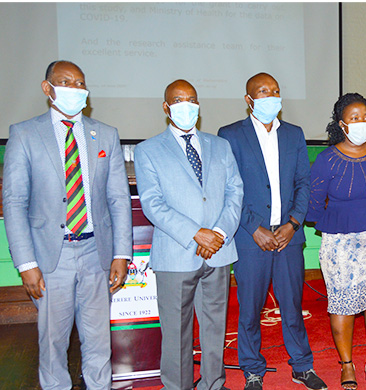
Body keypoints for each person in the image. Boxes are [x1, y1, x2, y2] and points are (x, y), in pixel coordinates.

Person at [3, 60, 132, 389]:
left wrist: (121, 254)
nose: (75, 89)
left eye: (80, 83)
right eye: (66, 82)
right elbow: (15, 202)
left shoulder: (105, 134)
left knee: (99, 343)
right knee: (53, 345)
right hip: (50, 259)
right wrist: (26, 263)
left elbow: (118, 199)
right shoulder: (24, 134)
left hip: (95, 254)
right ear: (48, 88)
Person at [218, 73, 327, 390]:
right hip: (252, 238)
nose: (271, 97)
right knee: (250, 310)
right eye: (263, 92)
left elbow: (303, 184)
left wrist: (293, 224)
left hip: (289, 237)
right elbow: (229, 189)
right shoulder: (231, 135)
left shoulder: (293, 134)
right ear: (249, 100)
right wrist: (254, 228)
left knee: (293, 306)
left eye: (275, 91)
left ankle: (302, 367)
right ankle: (252, 369)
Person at [134, 79, 243, 390]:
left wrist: (219, 232)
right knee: (176, 335)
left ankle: (214, 384)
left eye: (192, 99)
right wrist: (197, 234)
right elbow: (153, 203)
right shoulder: (149, 150)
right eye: (178, 100)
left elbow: (235, 191)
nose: (187, 105)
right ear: (167, 108)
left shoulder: (220, 146)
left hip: (219, 251)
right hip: (176, 253)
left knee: (214, 329)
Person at [306, 93, 366, 390]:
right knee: (343, 306)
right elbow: (313, 204)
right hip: (341, 245)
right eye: (355, 118)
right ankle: (346, 365)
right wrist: (342, 217)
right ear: (342, 124)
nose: (362, 122)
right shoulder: (326, 159)